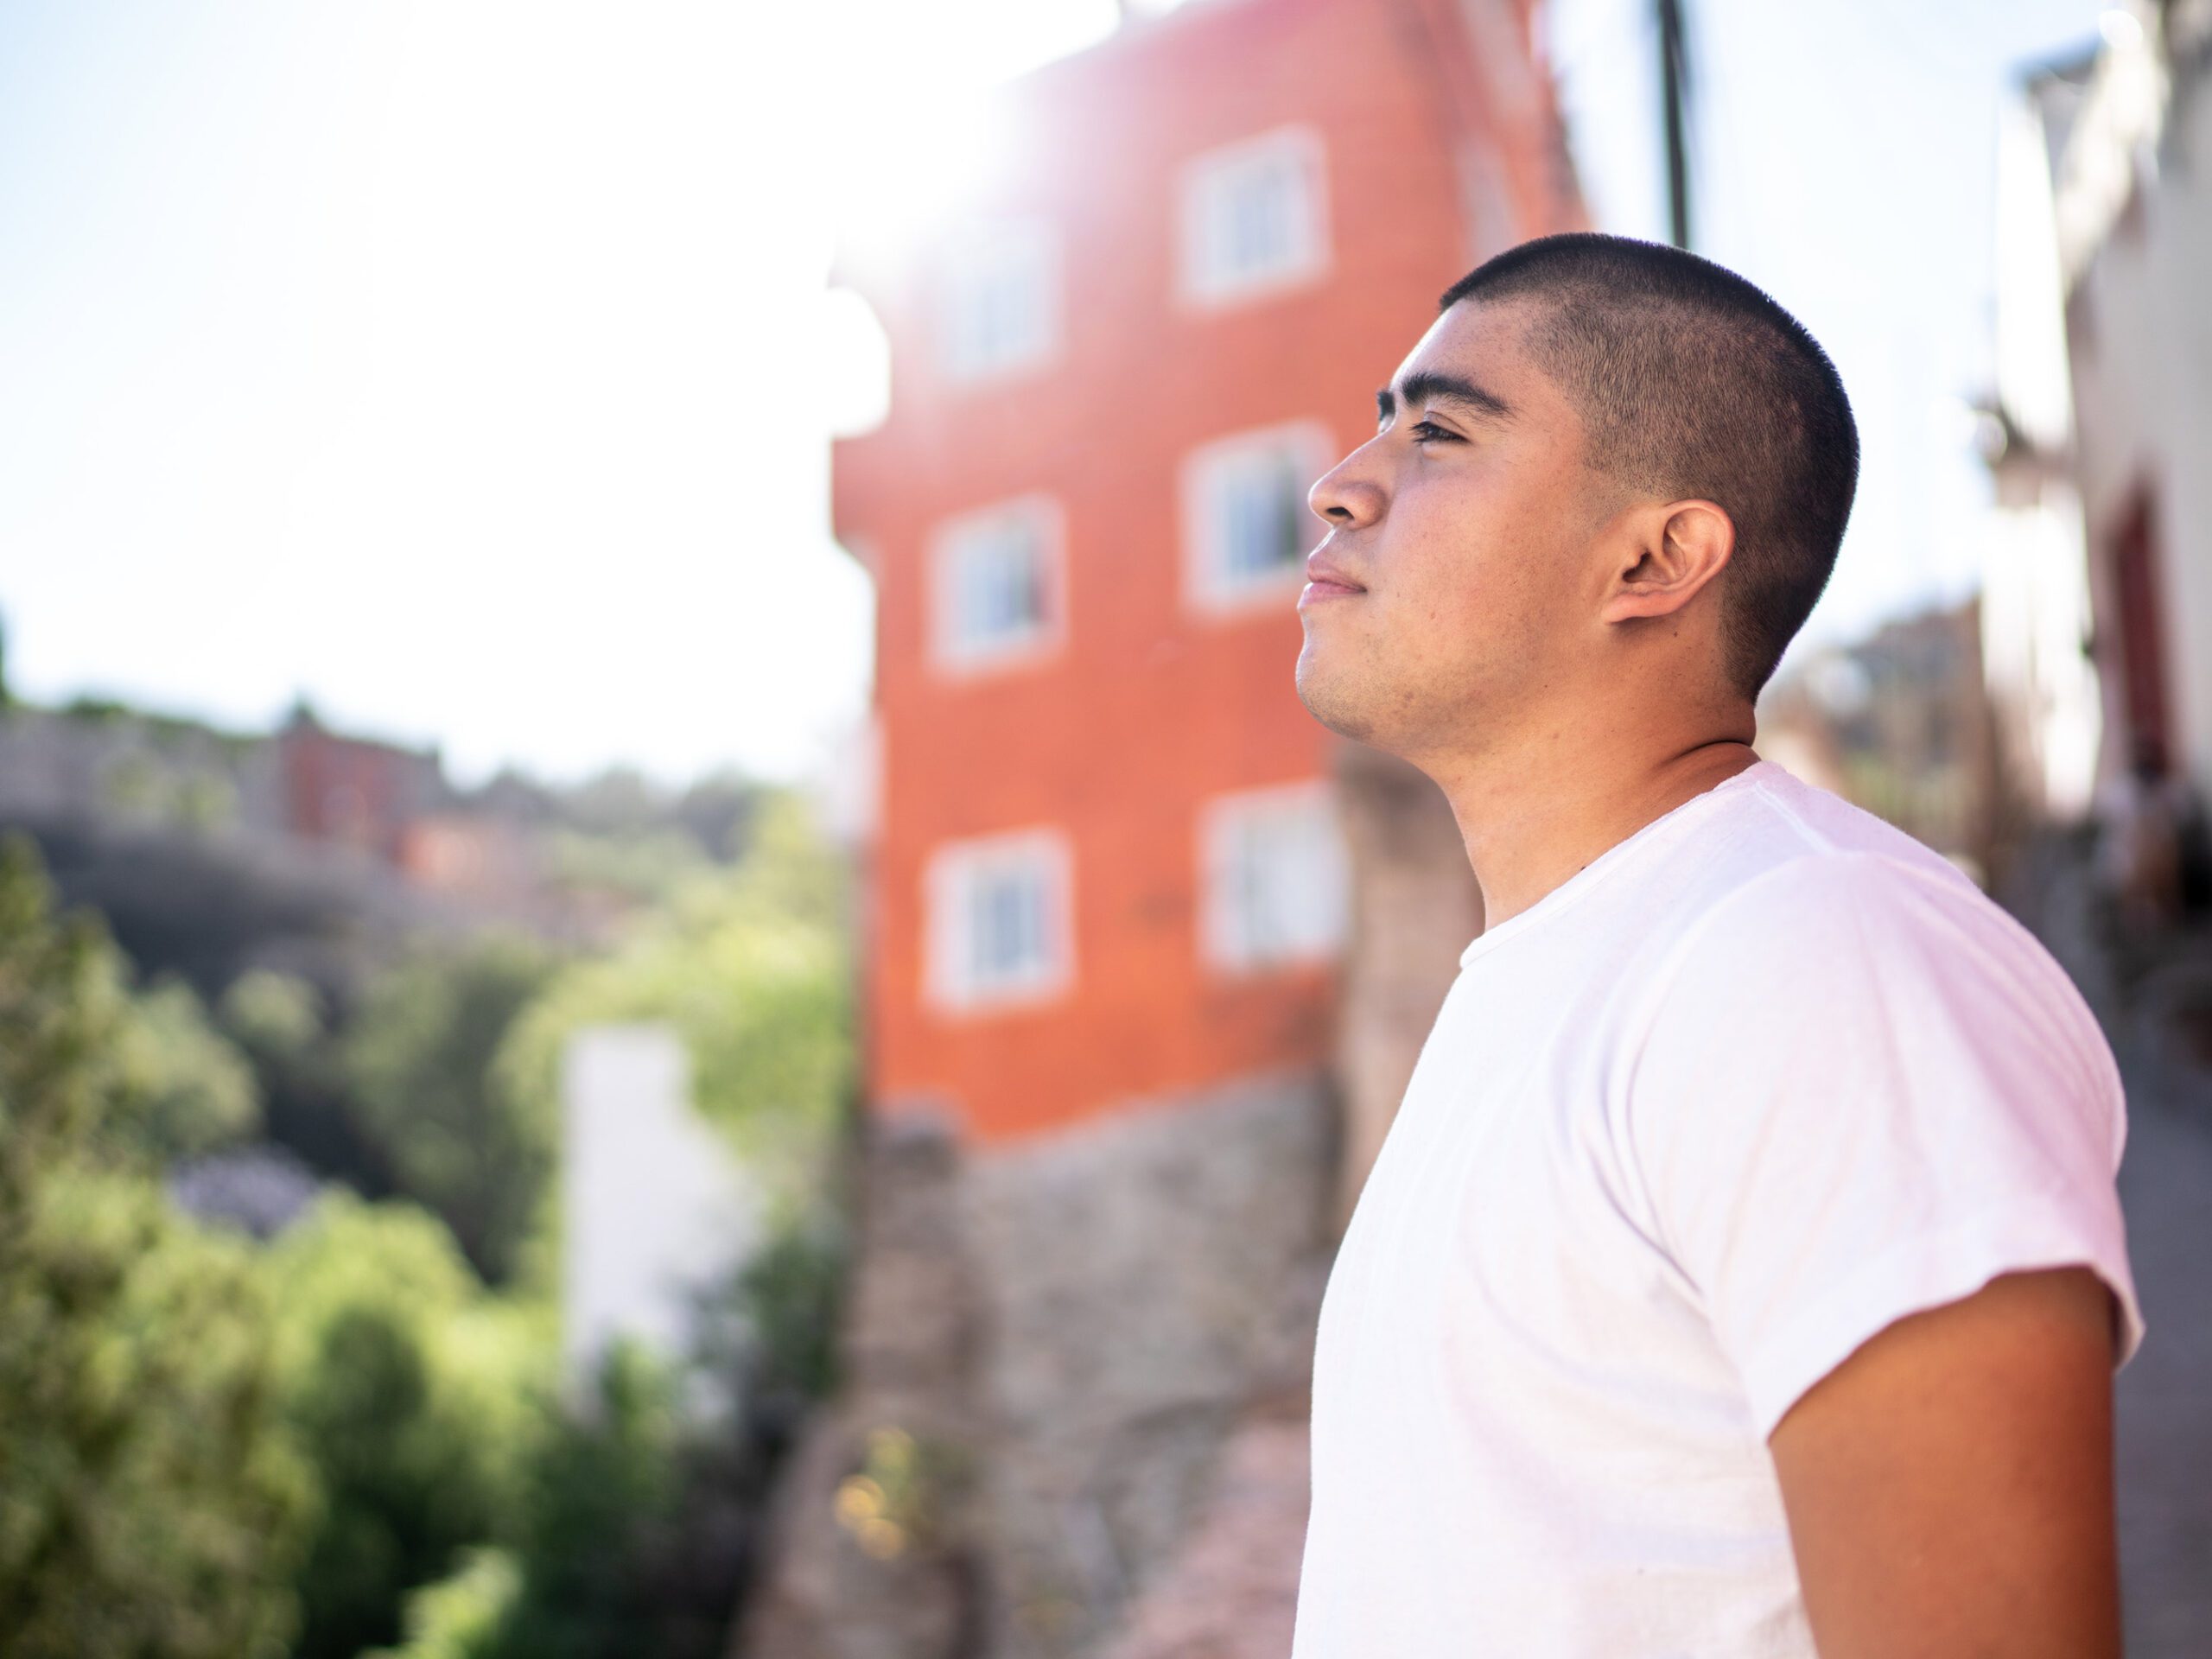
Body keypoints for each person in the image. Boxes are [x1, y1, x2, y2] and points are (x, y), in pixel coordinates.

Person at [1288, 232, 2142, 1659]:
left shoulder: (1819, 960)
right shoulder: (1560, 980)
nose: (1342, 482)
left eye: (1436, 431)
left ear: (1655, 557)